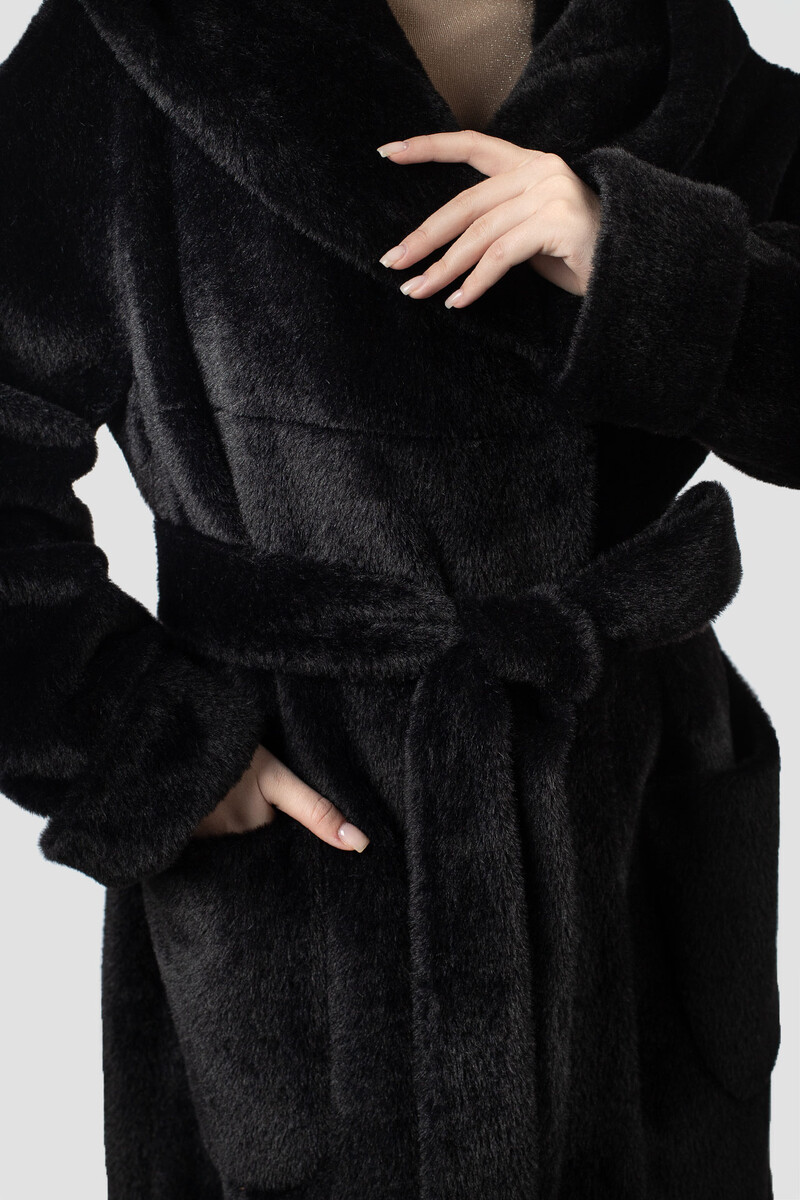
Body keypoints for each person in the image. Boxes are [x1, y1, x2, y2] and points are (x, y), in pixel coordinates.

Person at [0, 0, 797, 1196]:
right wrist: (142, 744)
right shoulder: (142, 42)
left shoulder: (674, 45)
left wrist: (635, 252)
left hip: (627, 806)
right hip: (310, 829)